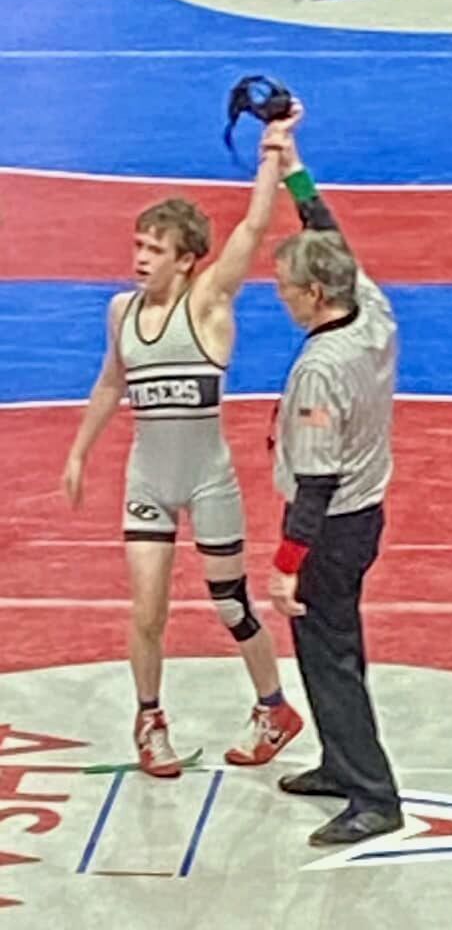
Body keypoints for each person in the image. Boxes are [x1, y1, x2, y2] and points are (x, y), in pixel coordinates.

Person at [61, 108, 303, 778]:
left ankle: (274, 707)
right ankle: (149, 720)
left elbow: (254, 231)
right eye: (137, 245)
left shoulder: (208, 303)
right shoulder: (123, 312)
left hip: (209, 479)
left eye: (154, 249)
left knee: (231, 604)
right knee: (146, 611)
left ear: (188, 259)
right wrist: (80, 451)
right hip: (149, 481)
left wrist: (272, 155)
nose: (139, 258)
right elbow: (112, 381)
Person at [266, 119, 404, 845]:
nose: (281, 297)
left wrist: (287, 568)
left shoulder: (321, 368)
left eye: (288, 288)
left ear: (315, 294)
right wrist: (294, 171)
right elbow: (334, 238)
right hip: (366, 509)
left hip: (333, 525)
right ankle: (340, 760)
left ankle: (374, 795)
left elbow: (314, 483)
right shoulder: (372, 311)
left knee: (329, 654)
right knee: (334, 647)